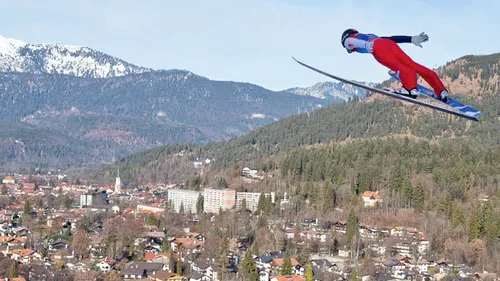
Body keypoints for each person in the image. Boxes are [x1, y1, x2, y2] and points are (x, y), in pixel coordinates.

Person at [341, 28, 449, 102]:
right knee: (412, 65)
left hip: (377, 47)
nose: (348, 49)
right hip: (387, 43)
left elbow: (349, 42)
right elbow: (391, 38)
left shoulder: (350, 40)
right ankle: (441, 90)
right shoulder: (369, 36)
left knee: (400, 67)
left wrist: (365, 44)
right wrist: (411, 39)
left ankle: (410, 89)